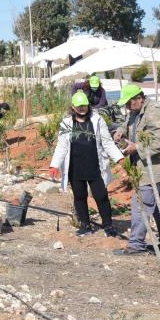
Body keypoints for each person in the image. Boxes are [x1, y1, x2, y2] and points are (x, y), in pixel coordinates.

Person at [48, 91, 124, 236]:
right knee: (79, 196)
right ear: (73, 107)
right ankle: (85, 225)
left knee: (101, 196)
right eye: (79, 106)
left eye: (84, 105)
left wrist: (118, 158)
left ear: (88, 105)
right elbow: (62, 146)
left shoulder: (97, 120)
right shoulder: (67, 123)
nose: (82, 108)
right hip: (75, 167)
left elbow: (107, 142)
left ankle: (108, 225)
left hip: (95, 166)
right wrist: (54, 164)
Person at [112, 85, 160, 255]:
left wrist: (137, 147)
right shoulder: (137, 111)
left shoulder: (154, 111)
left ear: (139, 98)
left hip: (153, 168)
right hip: (145, 168)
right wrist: (120, 131)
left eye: (129, 103)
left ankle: (136, 245)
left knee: (141, 206)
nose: (127, 107)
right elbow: (129, 123)